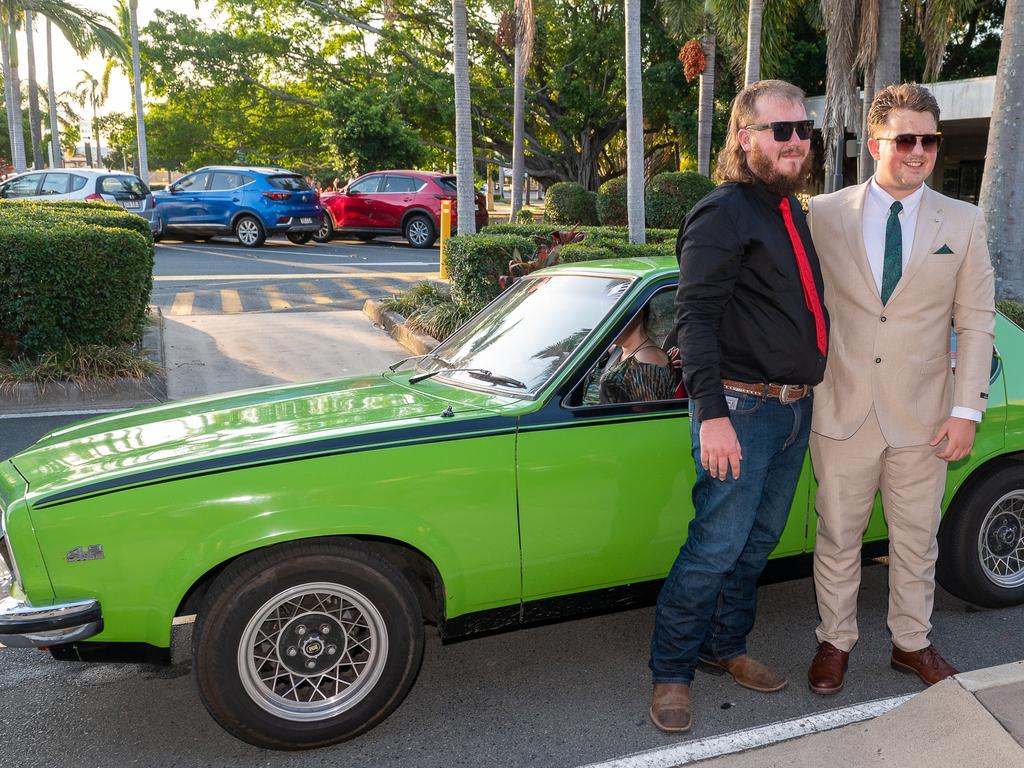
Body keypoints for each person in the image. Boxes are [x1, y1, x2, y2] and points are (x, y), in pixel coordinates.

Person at [648, 80, 828, 734]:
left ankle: (726, 647)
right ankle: (671, 672)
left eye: (803, 129)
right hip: (740, 410)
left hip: (792, 413)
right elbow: (692, 319)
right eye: (780, 130)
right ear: (744, 138)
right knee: (715, 547)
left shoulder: (788, 211)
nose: (795, 141)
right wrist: (714, 415)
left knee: (756, 545)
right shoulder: (722, 212)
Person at [805, 83, 995, 694]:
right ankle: (835, 641)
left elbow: (976, 321)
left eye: (930, 140)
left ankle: (912, 643)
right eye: (905, 139)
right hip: (842, 409)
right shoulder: (825, 214)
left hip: (925, 416)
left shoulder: (962, 221)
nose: (919, 152)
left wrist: (966, 409)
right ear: (876, 141)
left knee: (917, 539)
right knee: (837, 534)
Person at [582, 307, 675, 405]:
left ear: (638, 315)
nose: (607, 323)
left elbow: (644, 416)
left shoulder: (647, 360)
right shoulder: (616, 350)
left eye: (613, 316)